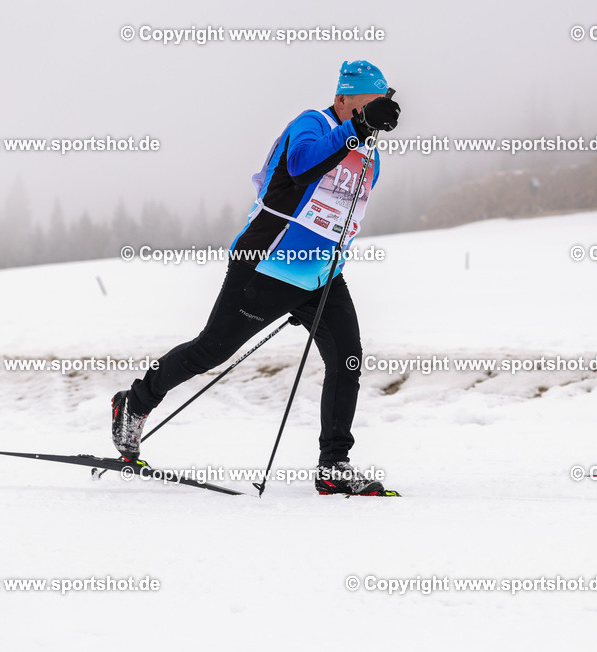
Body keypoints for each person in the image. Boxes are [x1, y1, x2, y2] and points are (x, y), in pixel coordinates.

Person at [110, 60, 400, 495]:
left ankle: (334, 465)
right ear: (343, 98)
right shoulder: (312, 124)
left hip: (321, 277)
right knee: (210, 350)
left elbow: (343, 218)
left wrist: (329, 267)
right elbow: (301, 167)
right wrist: (356, 129)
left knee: (348, 360)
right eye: (367, 104)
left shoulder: (369, 156)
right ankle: (134, 402)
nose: (373, 113)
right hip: (265, 265)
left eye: (380, 106)